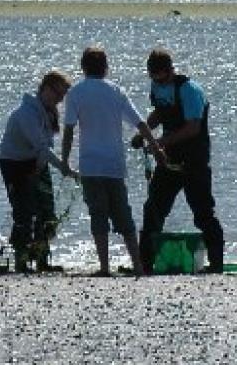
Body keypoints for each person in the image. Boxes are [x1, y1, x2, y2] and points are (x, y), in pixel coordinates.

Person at [61, 47, 165, 277]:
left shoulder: (76, 93)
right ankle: (138, 265)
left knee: (98, 215)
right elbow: (139, 123)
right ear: (105, 67)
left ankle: (105, 267)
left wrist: (65, 160)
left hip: (90, 165)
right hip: (114, 165)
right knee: (123, 216)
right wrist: (156, 148)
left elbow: (69, 129)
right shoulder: (116, 91)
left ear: (83, 67)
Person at [136, 48, 225, 274]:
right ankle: (144, 263)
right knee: (154, 208)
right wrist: (144, 132)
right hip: (169, 161)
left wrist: (162, 141)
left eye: (161, 76)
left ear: (170, 70)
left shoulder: (189, 90)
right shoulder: (157, 88)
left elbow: (193, 127)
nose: (158, 81)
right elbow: (159, 113)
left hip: (194, 158)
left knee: (203, 211)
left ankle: (216, 264)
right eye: (153, 77)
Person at [0, 70, 78, 273]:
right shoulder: (26, 113)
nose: (58, 100)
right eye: (56, 94)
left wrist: (51, 168)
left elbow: (45, 150)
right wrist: (65, 168)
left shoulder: (49, 114)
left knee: (46, 210)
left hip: (36, 162)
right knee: (24, 211)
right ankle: (21, 260)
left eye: (62, 97)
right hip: (14, 163)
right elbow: (42, 147)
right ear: (44, 88)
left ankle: (42, 259)